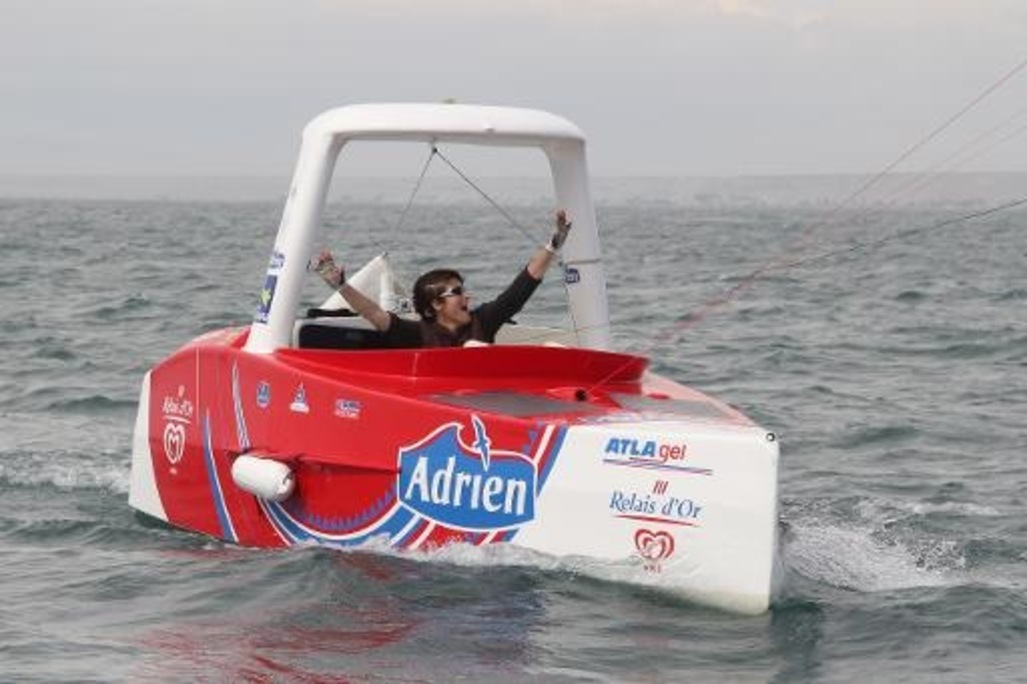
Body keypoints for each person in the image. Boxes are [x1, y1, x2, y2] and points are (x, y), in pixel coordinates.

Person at [313, 210, 572, 348]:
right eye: (457, 292)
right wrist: (340, 286)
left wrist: (553, 245)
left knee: (552, 347)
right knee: (472, 347)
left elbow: (522, 288)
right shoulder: (415, 334)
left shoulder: (483, 321)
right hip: (443, 405)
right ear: (436, 304)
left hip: (489, 400)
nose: (466, 296)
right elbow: (372, 312)